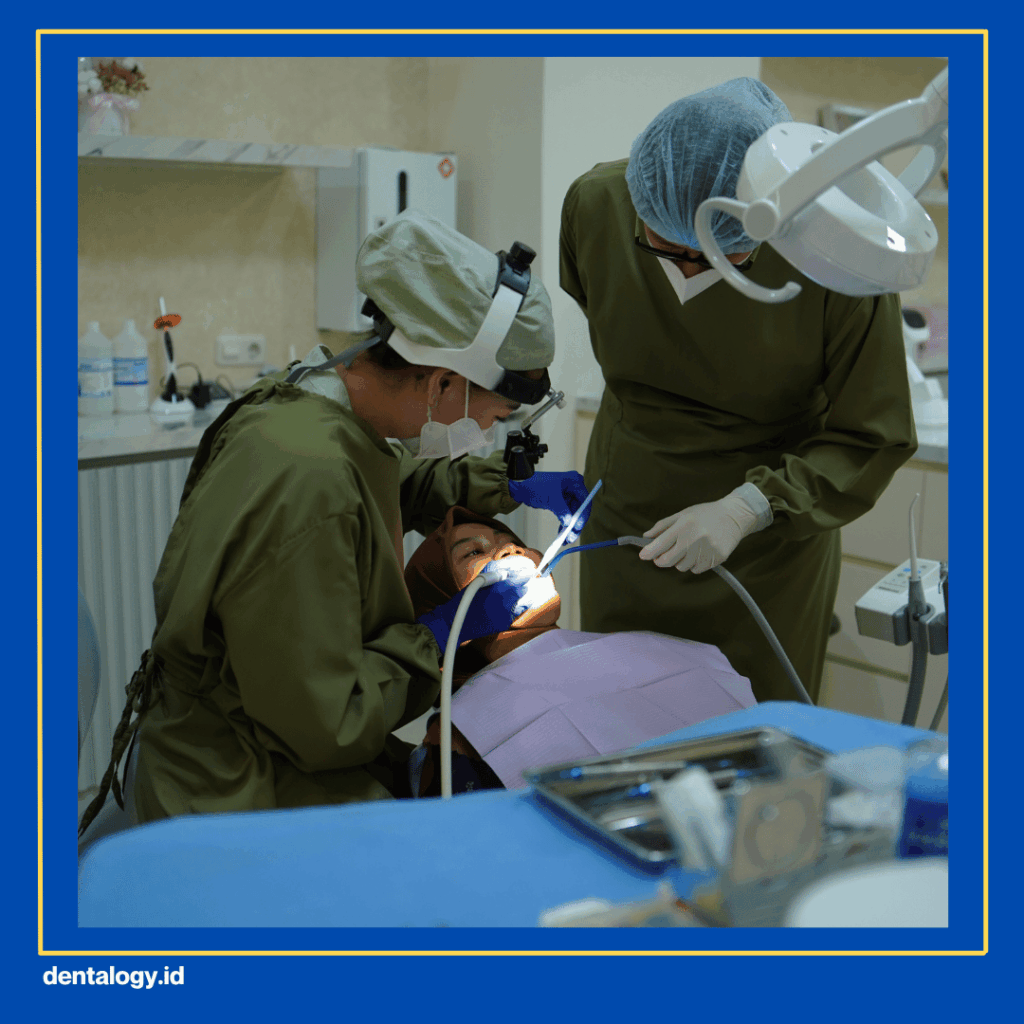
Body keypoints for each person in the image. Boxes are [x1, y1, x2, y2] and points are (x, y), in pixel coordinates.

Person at [78, 210, 592, 833]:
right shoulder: (304, 477)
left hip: (273, 738)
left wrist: (508, 486)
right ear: (442, 383)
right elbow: (331, 723)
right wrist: (438, 636)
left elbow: (384, 479)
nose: (490, 430)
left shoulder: (321, 398)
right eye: (498, 412)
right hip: (235, 788)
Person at [559, 77, 918, 705]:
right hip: (629, 510)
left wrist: (748, 507)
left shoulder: (837, 255)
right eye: (664, 247)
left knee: (755, 733)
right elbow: (600, 303)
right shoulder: (597, 204)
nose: (688, 269)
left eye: (723, 255)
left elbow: (872, 434)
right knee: (617, 714)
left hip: (768, 543)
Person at [403, 507, 757, 796]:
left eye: (512, 542)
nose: (513, 551)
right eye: (474, 552)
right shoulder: (458, 735)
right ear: (442, 600)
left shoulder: (652, 648)